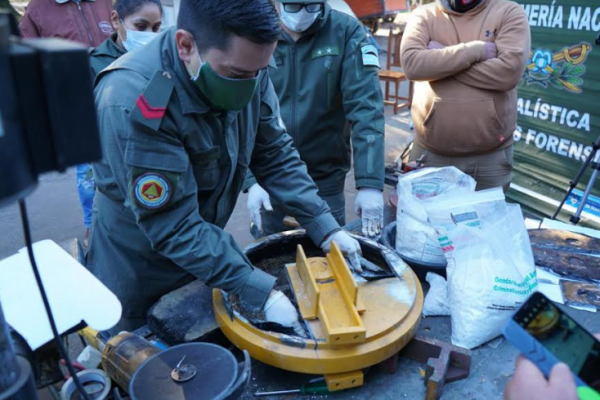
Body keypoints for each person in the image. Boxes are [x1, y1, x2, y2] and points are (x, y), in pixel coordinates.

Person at [87, 0, 363, 332]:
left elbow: (274, 151)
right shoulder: (133, 99)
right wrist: (257, 289)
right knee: (145, 364)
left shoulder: (246, 63)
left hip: (206, 254)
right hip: (141, 272)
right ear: (186, 46)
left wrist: (325, 226)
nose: (252, 82)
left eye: (260, 71)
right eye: (238, 74)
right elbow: (172, 225)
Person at [244, 0, 386, 239]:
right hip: (270, 175)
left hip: (324, 178)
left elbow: (367, 108)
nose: (302, 15)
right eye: (293, 7)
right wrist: (249, 179)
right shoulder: (256, 31)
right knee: (272, 254)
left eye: (312, 6)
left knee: (329, 253)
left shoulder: (346, 32)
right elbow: (240, 110)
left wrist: (370, 183)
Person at [400, 0, 530, 192]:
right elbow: (412, 65)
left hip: (490, 159)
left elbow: (507, 73)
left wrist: (440, 58)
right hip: (431, 155)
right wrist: (476, 50)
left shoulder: (509, 12)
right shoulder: (424, 15)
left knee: (488, 220)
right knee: (425, 221)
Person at [20, 0, 113, 246]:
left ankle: (129, 223)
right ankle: (91, 228)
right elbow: (24, 60)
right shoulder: (37, 9)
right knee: (88, 173)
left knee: (125, 161)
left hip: (116, 95)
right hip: (75, 107)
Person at [89, 0, 163, 78]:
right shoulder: (93, 64)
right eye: (141, 26)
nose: (150, 35)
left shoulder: (163, 61)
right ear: (116, 20)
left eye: (155, 28)